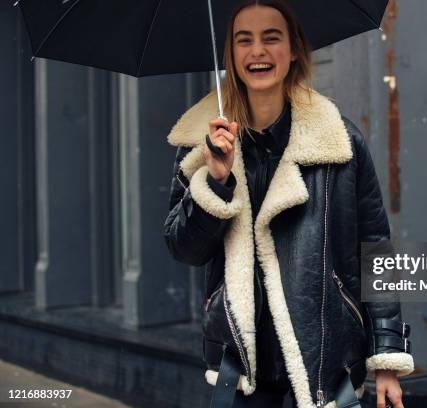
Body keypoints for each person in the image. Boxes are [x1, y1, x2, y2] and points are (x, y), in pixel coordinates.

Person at [163, 1, 414, 407]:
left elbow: (376, 248)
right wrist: (216, 181)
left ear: (294, 49)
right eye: (244, 40)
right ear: (230, 54)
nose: (257, 51)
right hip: (240, 371)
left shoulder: (341, 143)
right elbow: (183, 248)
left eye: (271, 38)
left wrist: (386, 359)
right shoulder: (200, 146)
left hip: (324, 364)